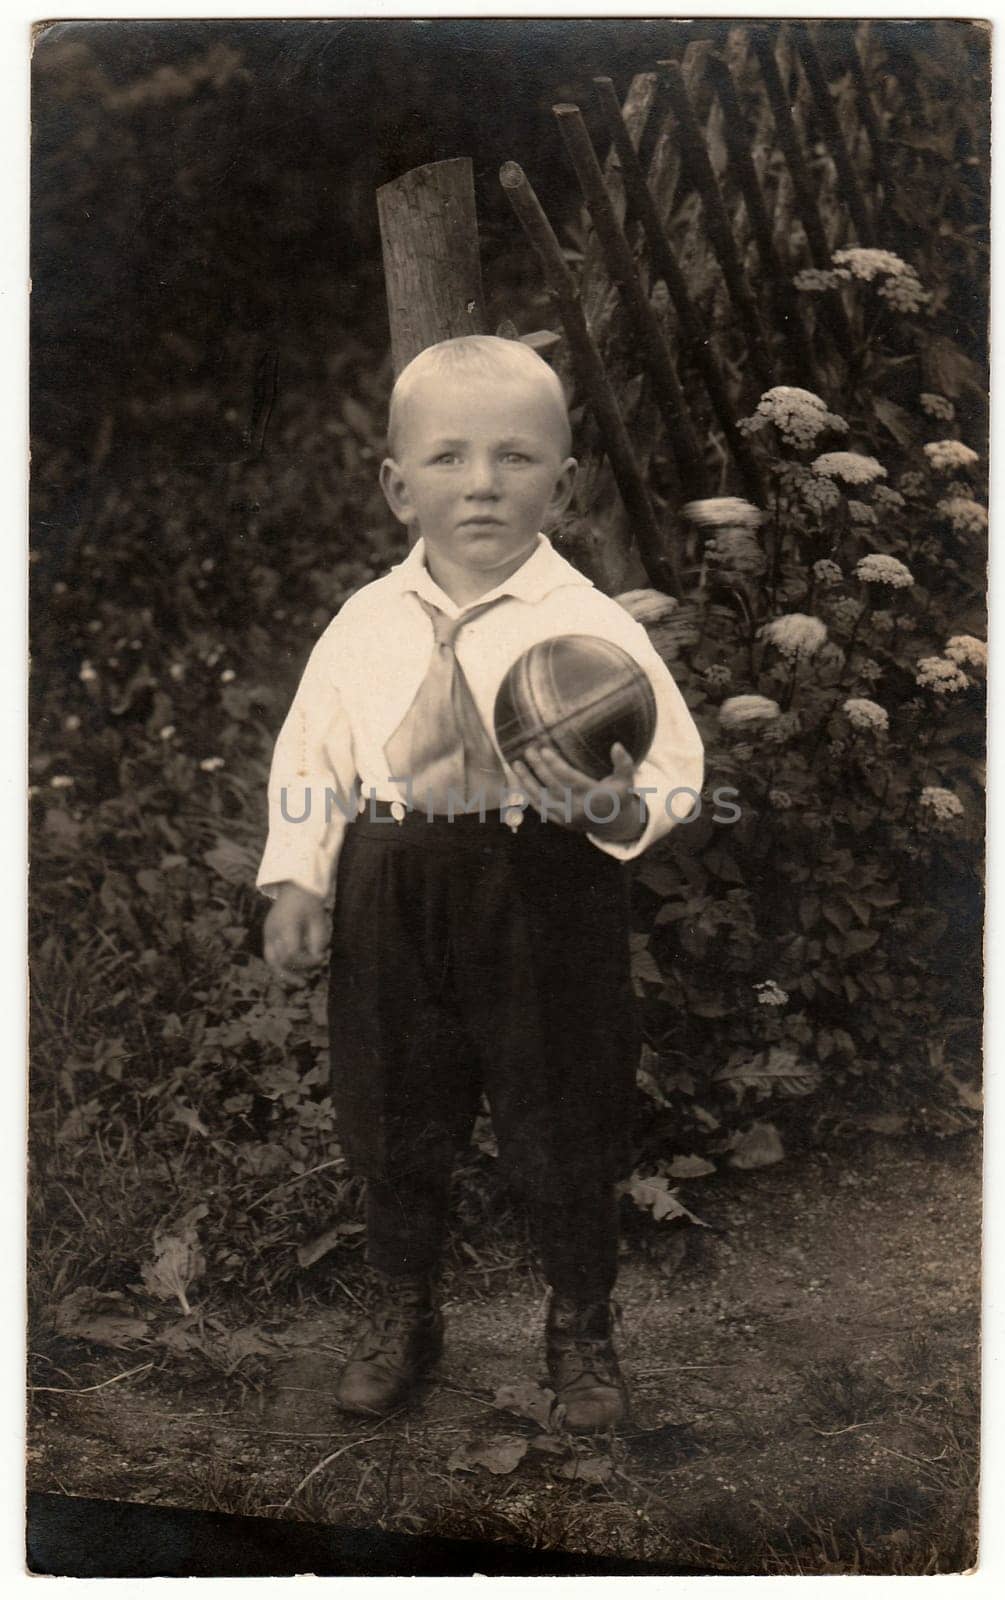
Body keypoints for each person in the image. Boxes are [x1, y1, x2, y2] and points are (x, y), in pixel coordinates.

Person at [256, 335, 704, 1431]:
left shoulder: (590, 630)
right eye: (448, 458)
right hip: (394, 877)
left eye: (514, 456)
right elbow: (311, 758)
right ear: (396, 483)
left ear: (566, 476)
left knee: (563, 1107)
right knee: (392, 1108)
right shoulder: (364, 622)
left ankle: (580, 1326)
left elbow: (674, 767)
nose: (482, 483)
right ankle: (403, 1308)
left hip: (541, 882)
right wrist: (297, 883)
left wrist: (614, 807)